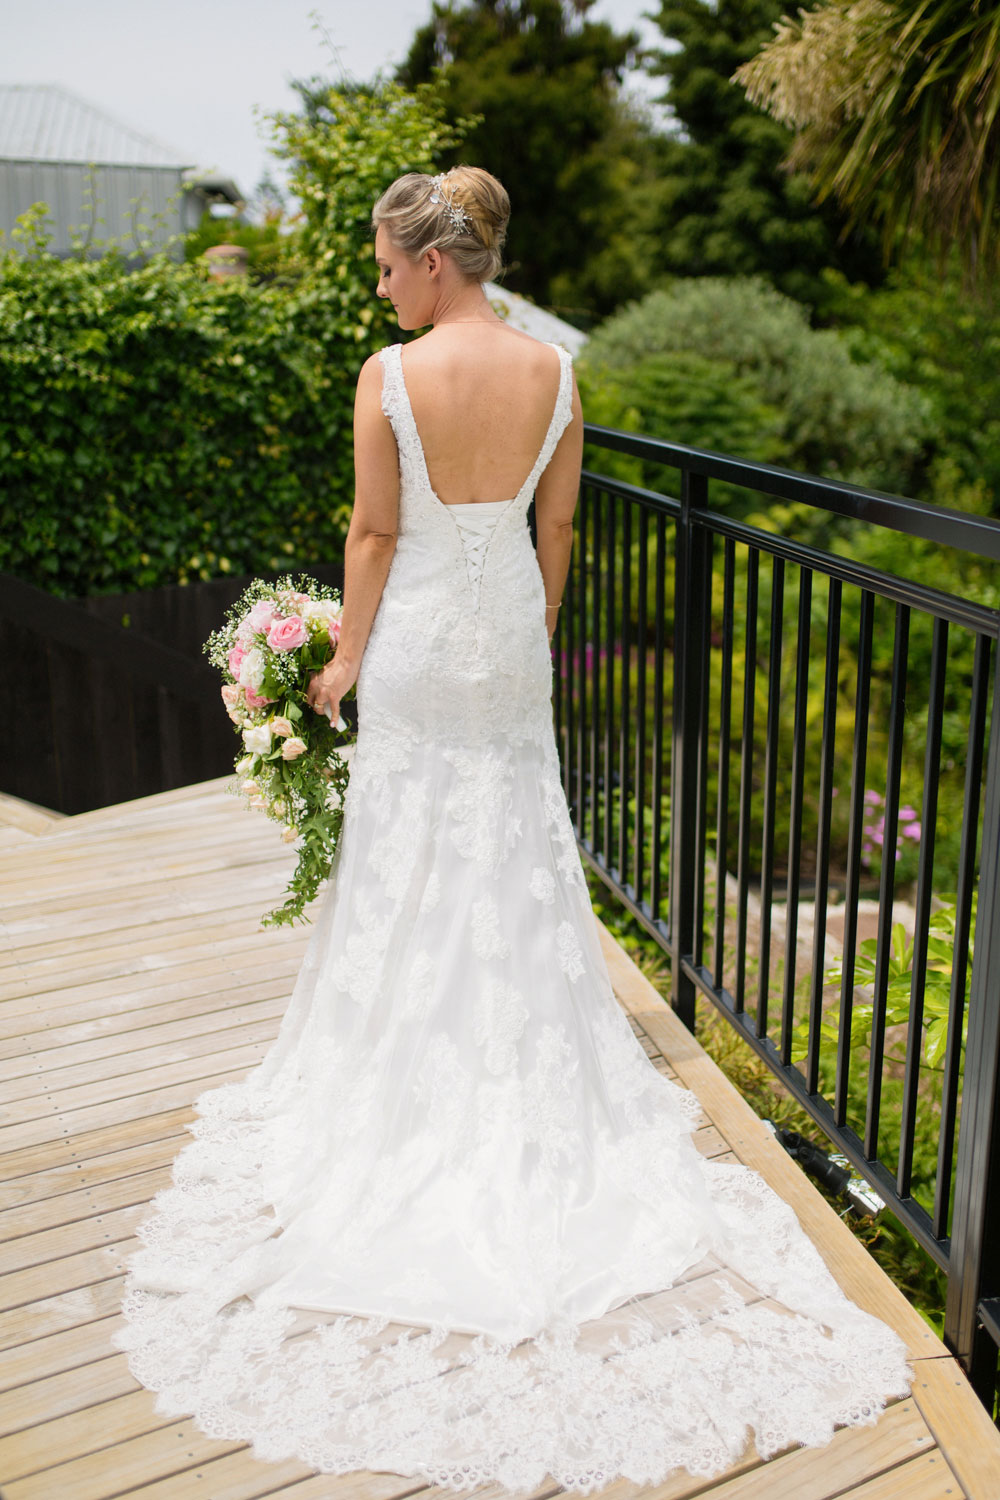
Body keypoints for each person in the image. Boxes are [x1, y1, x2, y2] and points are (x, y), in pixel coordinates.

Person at [115, 166, 911, 1491]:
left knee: (415, 852)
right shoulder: (558, 374)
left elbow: (374, 530)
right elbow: (558, 525)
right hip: (504, 647)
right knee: (516, 856)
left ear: (432, 263)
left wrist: (345, 658)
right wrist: (533, 628)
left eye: (383, 264)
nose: (378, 285)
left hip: (421, 644)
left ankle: (408, 1068)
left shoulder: (387, 376)